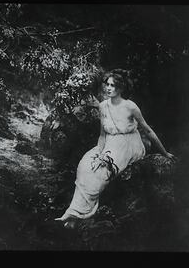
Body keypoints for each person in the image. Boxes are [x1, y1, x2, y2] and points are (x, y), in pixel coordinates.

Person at [55, 71, 175, 224]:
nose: (108, 88)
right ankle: (74, 213)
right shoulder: (103, 106)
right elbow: (102, 134)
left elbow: (148, 130)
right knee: (85, 165)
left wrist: (164, 153)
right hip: (109, 143)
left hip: (128, 144)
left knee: (102, 171)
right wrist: (99, 151)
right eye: (107, 84)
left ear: (120, 88)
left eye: (113, 85)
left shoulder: (130, 106)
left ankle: (76, 216)